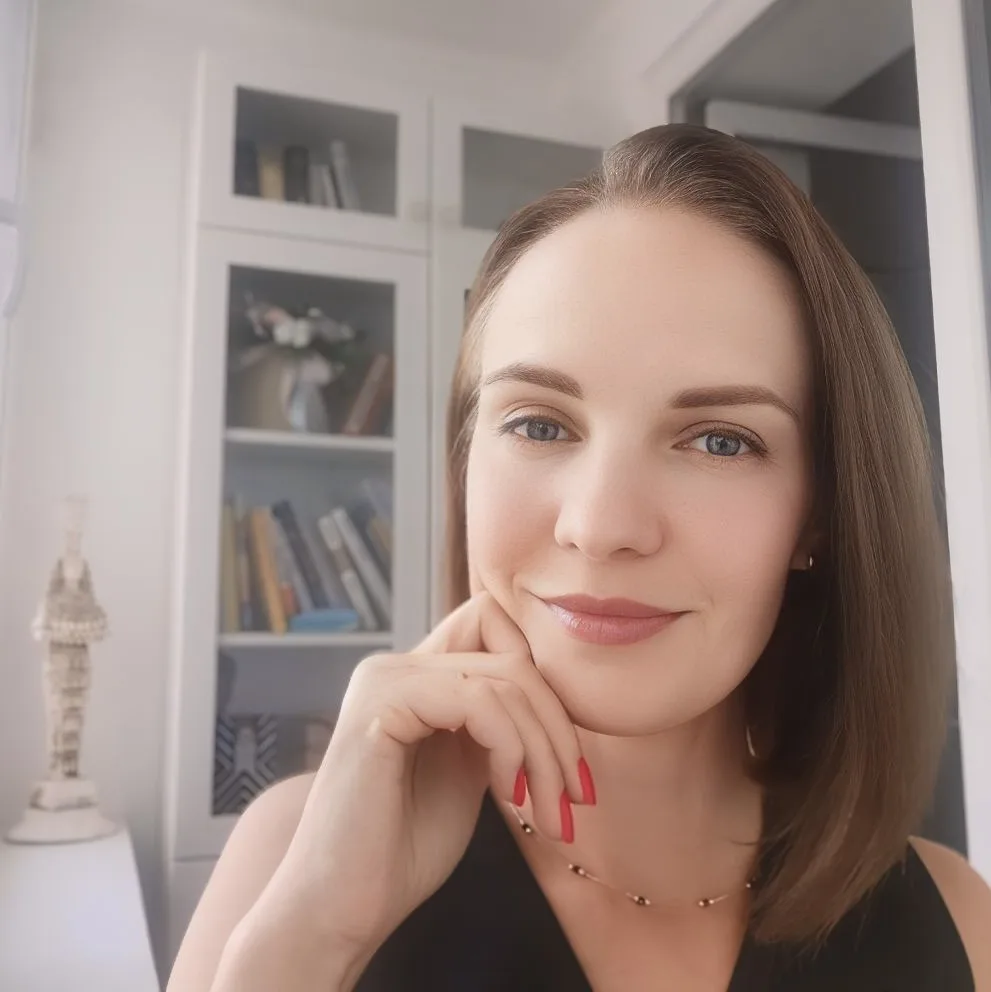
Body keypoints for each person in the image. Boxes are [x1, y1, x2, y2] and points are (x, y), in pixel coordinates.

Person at [167, 124, 991, 992]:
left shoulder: (959, 924)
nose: (599, 527)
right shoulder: (291, 864)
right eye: (538, 424)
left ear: (818, 515)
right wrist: (312, 940)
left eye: (718, 440)